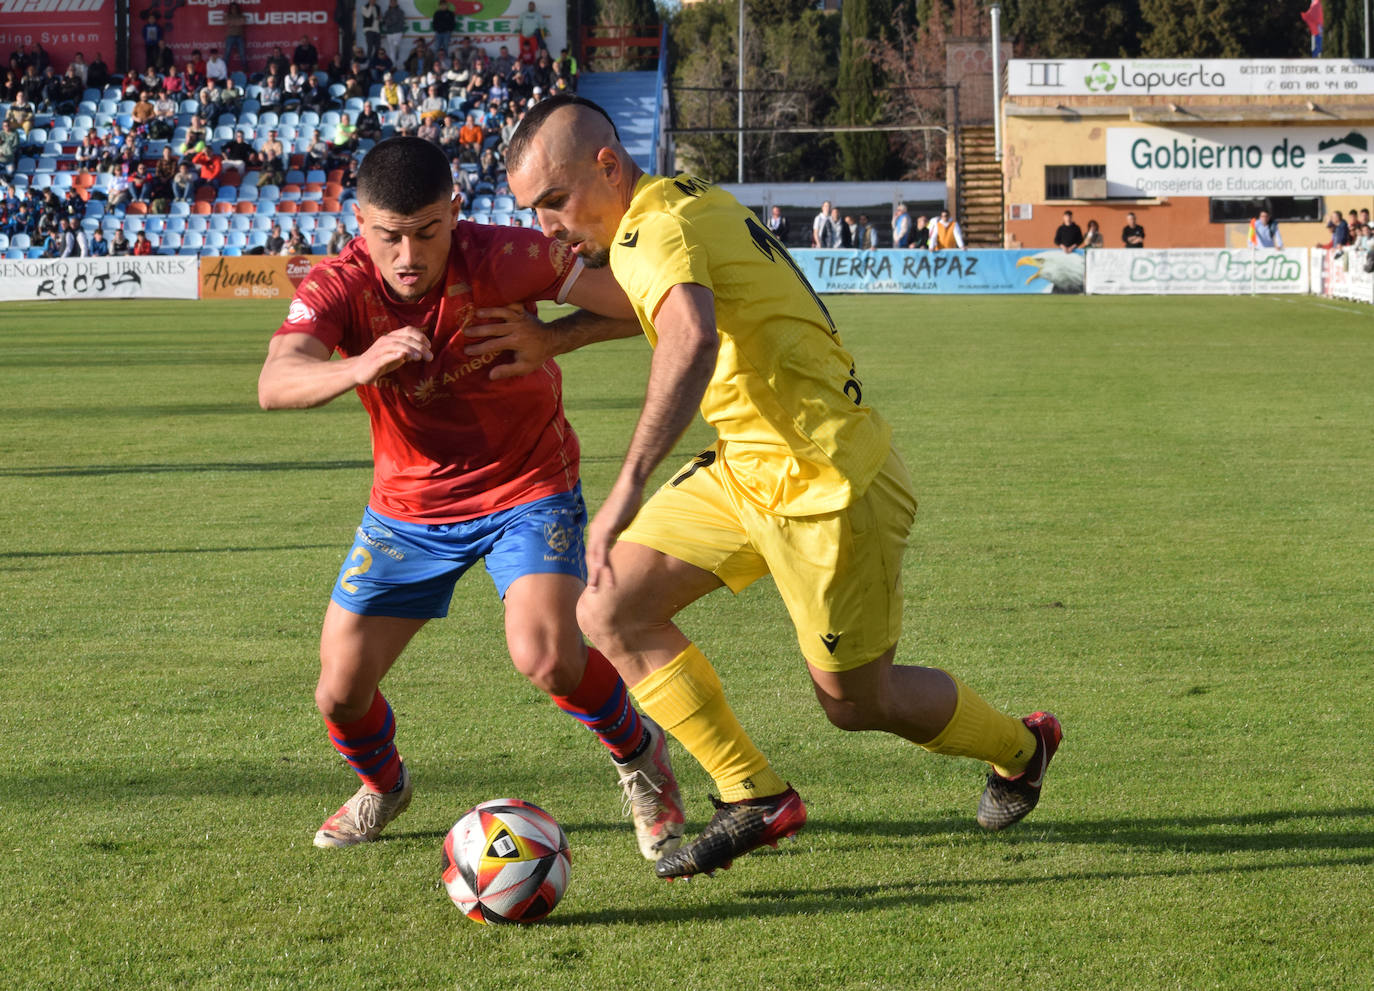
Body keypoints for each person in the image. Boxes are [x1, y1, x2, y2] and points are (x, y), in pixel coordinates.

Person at [496, 95, 1062, 879]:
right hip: (744, 468)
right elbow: (655, 305)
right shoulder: (668, 209)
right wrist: (554, 338)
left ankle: (1022, 746)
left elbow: (687, 337)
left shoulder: (657, 226)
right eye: (533, 210)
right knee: (609, 603)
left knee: (856, 703)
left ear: (607, 164)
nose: (548, 225)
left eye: (554, 201)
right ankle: (754, 795)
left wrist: (627, 483)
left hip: (830, 482)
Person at [255, 136, 685, 857]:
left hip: (528, 486)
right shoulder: (338, 283)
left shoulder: (505, 255)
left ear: (455, 212)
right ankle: (384, 785)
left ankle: (641, 756)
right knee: (339, 692)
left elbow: (647, 304)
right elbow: (276, 380)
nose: (408, 256)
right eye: (388, 236)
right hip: (408, 512)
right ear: (358, 221)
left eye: (427, 232)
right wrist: (360, 363)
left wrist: (554, 339)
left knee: (546, 654)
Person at [381, 0, 408, 69]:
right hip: (389, 33)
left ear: (396, 3)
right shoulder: (387, 11)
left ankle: (398, 65)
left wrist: (387, 21)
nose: (392, 3)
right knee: (391, 50)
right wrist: (385, 20)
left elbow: (394, 20)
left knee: (396, 48)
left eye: (394, 2)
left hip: (397, 32)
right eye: (391, 2)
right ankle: (393, 66)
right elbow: (384, 20)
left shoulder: (400, 11)